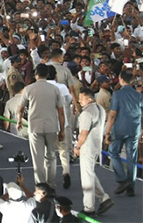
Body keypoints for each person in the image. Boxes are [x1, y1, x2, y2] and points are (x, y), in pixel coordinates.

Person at [20, 63, 65, 187]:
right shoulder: (55, 89)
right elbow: (60, 111)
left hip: (35, 126)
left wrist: (19, 121)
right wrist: (62, 130)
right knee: (51, 156)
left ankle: (40, 185)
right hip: (51, 126)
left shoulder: (28, 89)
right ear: (48, 74)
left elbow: (20, 107)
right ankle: (51, 184)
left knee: (37, 158)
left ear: (35, 74)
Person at [74, 87, 113, 216]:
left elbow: (84, 133)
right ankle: (104, 199)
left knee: (86, 179)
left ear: (89, 99)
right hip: (96, 146)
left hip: (87, 147)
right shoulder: (100, 109)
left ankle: (89, 208)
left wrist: (77, 147)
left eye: (81, 98)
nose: (79, 101)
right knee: (90, 174)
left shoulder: (87, 113)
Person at [104, 69, 141, 197]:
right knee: (132, 157)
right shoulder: (139, 95)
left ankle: (122, 179)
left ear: (120, 79)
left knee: (113, 152)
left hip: (119, 128)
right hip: (135, 128)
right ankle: (131, 187)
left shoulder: (117, 94)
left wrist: (107, 132)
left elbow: (112, 115)